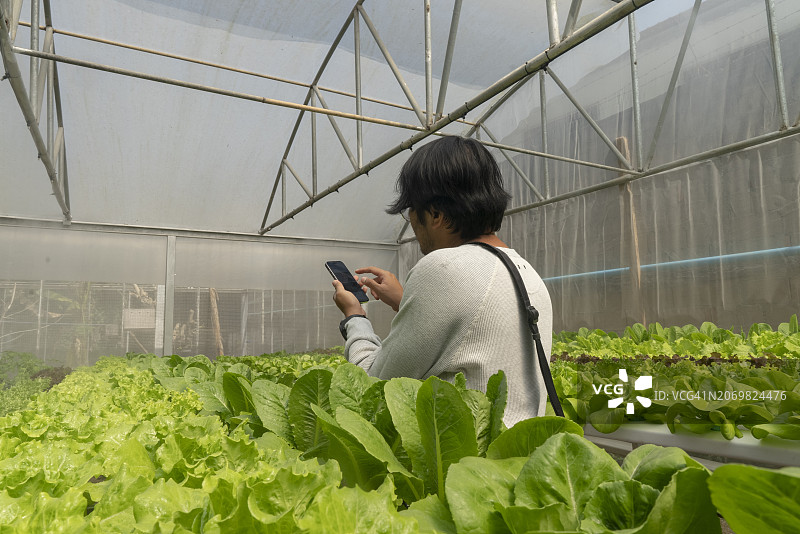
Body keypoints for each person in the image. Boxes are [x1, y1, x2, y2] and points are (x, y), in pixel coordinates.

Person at [332, 136, 553, 426]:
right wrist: (405, 300)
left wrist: (354, 318)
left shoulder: (444, 267)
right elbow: (475, 329)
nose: (412, 221)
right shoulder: (525, 271)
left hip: (461, 465)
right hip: (512, 462)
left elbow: (375, 385)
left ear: (435, 214)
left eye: (412, 211)